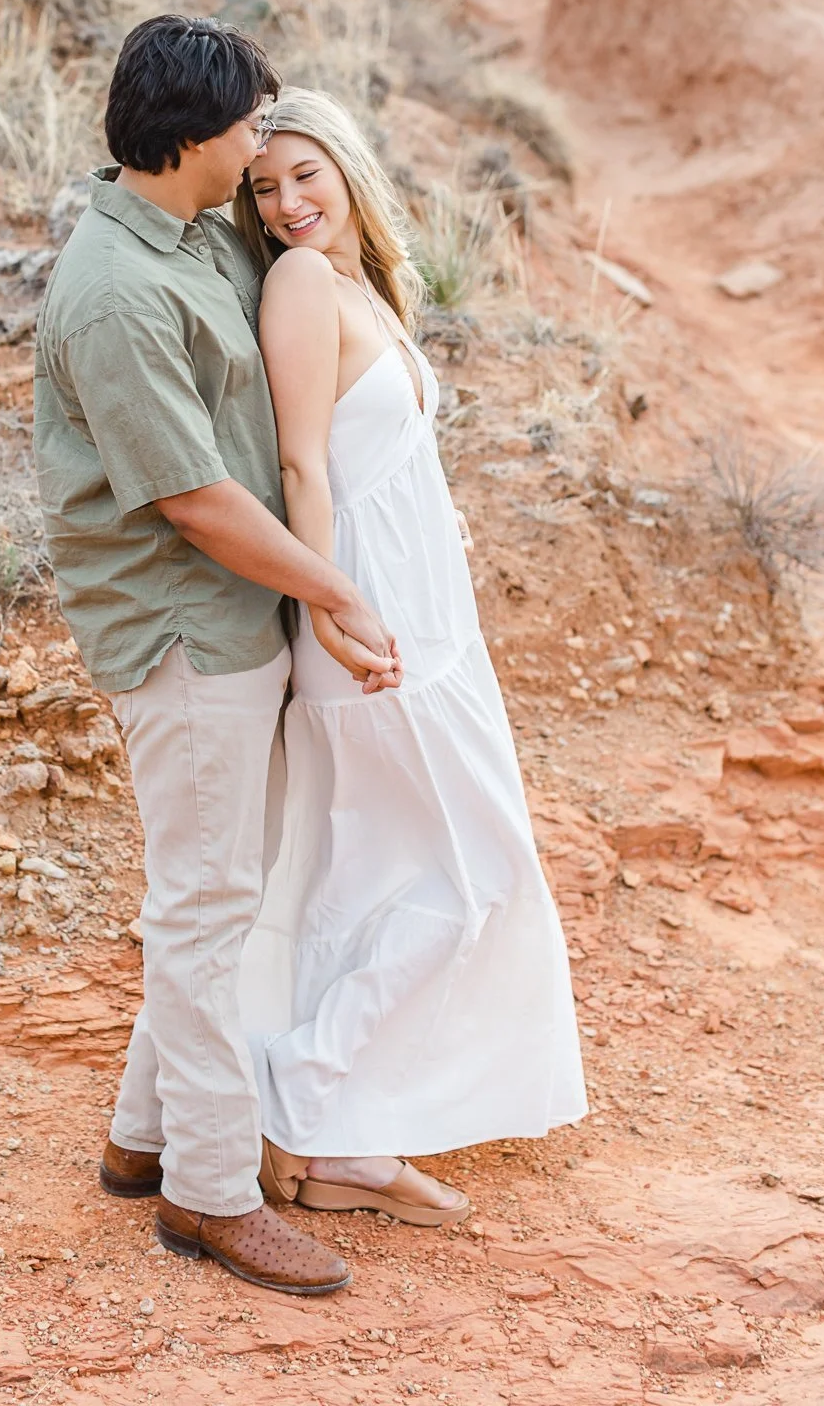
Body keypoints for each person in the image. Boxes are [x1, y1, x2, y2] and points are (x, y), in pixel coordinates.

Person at [32, 18, 403, 1298]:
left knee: (216, 891)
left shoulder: (188, 232)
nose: (265, 144)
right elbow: (194, 496)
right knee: (199, 914)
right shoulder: (117, 289)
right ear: (192, 136)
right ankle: (208, 1190)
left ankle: (143, 1140)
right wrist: (337, 590)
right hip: (187, 631)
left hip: (238, 620)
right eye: (251, 126)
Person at [233, 87, 587, 1226]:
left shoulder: (358, 286)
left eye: (303, 174)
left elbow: (383, 455)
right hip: (373, 623)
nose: (287, 202)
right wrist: (331, 602)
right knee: (475, 872)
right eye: (264, 185)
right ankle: (307, 1087)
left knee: (388, 872)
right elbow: (302, 468)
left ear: (344, 166)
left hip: (428, 617)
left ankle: (345, 1136)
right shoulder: (295, 283)